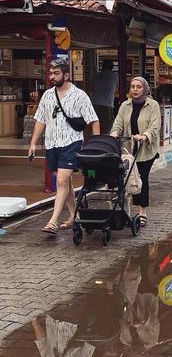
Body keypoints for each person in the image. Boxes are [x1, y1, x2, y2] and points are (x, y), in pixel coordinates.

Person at [29, 60, 100, 235]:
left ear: (66, 75)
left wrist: (96, 144)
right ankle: (74, 216)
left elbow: (93, 120)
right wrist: (33, 143)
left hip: (71, 143)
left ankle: (53, 221)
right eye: (50, 73)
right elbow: (40, 120)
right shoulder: (47, 95)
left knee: (61, 181)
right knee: (65, 182)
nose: (52, 77)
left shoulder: (80, 95)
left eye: (56, 73)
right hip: (52, 144)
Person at [110, 77, 161, 227]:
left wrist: (144, 136)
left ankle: (142, 211)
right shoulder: (125, 105)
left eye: (139, 87)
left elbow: (155, 126)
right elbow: (118, 123)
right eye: (132, 86)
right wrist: (114, 133)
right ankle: (122, 207)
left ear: (145, 89)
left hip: (146, 149)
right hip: (128, 148)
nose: (135, 89)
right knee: (124, 178)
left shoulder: (152, 105)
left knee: (141, 178)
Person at [91, 59, 118, 134]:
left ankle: (96, 138)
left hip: (94, 103)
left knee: (95, 124)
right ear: (112, 67)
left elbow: (91, 88)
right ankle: (106, 139)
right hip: (107, 104)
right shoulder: (115, 76)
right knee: (107, 126)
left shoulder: (96, 75)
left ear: (102, 66)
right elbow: (117, 89)